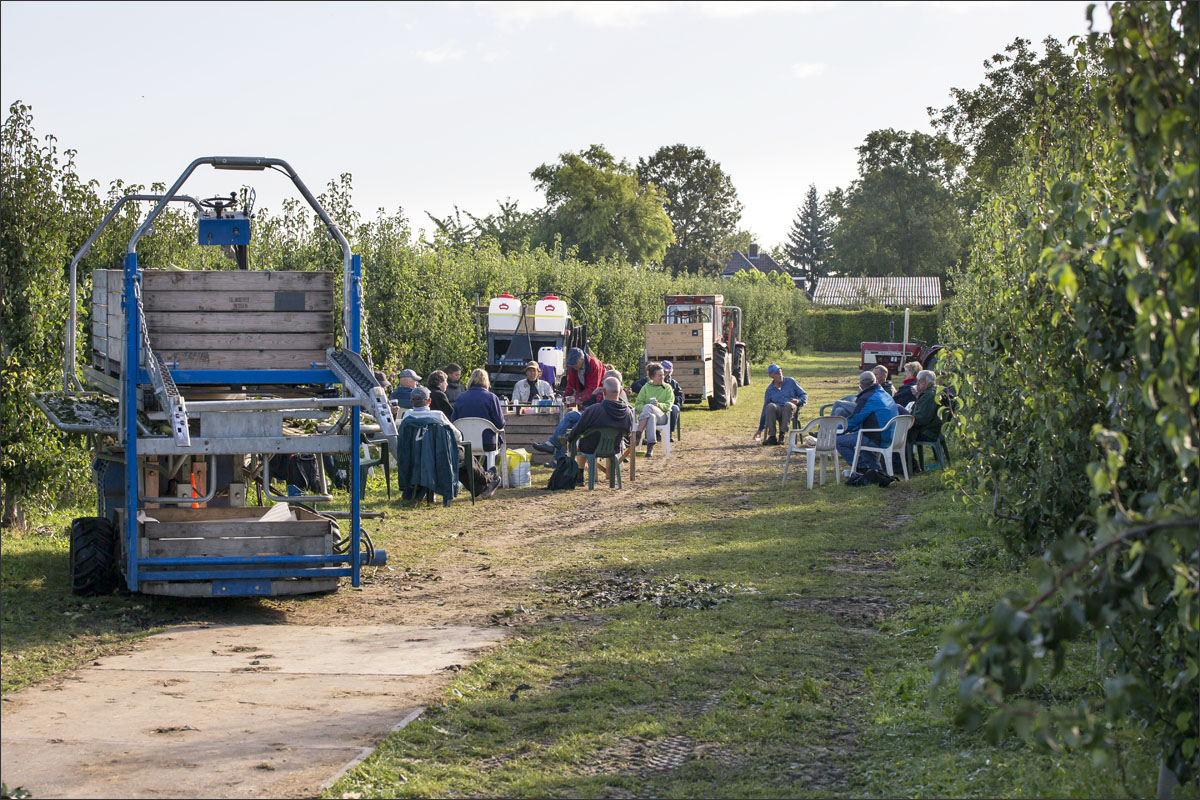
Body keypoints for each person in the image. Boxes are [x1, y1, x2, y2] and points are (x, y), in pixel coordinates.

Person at [407, 386, 500, 498]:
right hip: (439, 458)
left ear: (411, 402)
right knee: (461, 455)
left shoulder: (407, 416)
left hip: (415, 458)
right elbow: (457, 436)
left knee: (457, 457)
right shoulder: (438, 415)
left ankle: (482, 488)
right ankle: (487, 479)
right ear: (429, 401)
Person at [836, 371, 899, 474]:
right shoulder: (884, 393)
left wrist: (834, 431)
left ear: (861, 385)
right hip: (892, 436)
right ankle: (874, 469)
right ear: (875, 381)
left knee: (838, 441)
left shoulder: (867, 397)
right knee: (859, 437)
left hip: (878, 438)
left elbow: (853, 421)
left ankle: (860, 468)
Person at [571, 376, 635, 456]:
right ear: (621, 391)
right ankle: (611, 468)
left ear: (603, 391)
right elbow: (628, 433)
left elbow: (579, 429)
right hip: (614, 449)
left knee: (575, 440)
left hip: (590, 448)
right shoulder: (628, 412)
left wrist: (569, 438)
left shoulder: (593, 410)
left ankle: (579, 468)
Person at [451, 368, 505, 452]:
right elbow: (500, 424)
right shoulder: (491, 397)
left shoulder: (460, 397)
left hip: (464, 442)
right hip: (487, 442)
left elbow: (454, 422)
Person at [754, 364, 808, 446]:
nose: (780, 375)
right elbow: (765, 409)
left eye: (780, 372)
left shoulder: (791, 381)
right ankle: (772, 437)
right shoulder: (770, 390)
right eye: (777, 373)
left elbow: (804, 395)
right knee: (770, 406)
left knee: (788, 405)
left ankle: (782, 435)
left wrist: (798, 401)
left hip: (791, 409)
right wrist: (760, 429)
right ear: (771, 376)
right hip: (778, 410)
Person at [633, 363, 675, 458]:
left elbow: (669, 405)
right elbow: (638, 404)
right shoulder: (646, 388)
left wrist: (658, 405)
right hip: (649, 417)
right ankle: (650, 446)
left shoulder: (667, 388)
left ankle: (638, 433)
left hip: (663, 416)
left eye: (663, 375)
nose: (662, 377)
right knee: (651, 416)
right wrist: (646, 408)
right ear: (652, 377)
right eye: (659, 375)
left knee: (649, 407)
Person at [910, 369, 943, 446]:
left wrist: (906, 420)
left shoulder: (929, 395)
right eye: (917, 381)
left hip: (927, 432)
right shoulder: (934, 391)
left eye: (921, 381)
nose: (917, 384)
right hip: (932, 429)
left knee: (898, 434)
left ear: (929, 383)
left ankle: (903, 458)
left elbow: (920, 419)